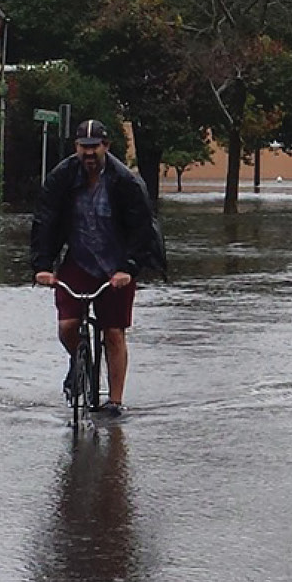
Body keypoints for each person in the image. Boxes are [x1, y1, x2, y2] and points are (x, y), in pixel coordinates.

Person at [30, 120, 167, 417]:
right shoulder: (61, 178)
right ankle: (81, 362)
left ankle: (115, 401)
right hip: (78, 260)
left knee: (114, 332)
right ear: (76, 148)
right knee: (67, 326)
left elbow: (142, 228)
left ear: (106, 146)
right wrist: (42, 266)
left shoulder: (125, 182)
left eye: (95, 147)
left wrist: (128, 267)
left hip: (116, 264)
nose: (89, 153)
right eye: (84, 148)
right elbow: (46, 220)